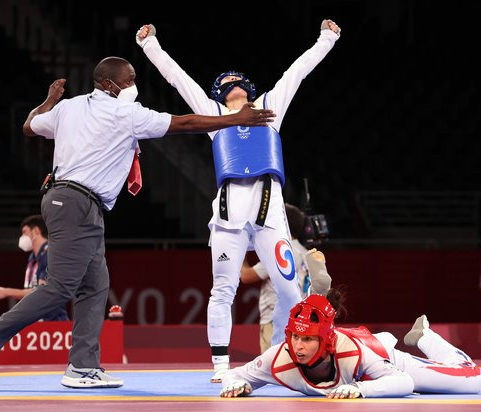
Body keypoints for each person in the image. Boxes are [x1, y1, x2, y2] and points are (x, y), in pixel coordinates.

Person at [0, 55, 276, 389]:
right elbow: (183, 124)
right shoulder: (125, 113)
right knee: (61, 286)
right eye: (129, 80)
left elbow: (29, 126)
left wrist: (50, 101)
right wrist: (233, 120)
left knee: (95, 287)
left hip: (79, 204)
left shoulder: (69, 107)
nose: (133, 85)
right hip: (74, 202)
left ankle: (82, 367)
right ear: (109, 84)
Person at [136, 18, 341, 382]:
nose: (233, 86)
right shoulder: (213, 115)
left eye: (237, 83)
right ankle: (219, 365)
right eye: (226, 85)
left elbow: (298, 71)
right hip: (230, 208)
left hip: (269, 206)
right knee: (223, 288)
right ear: (219, 92)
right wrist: (151, 46)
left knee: (289, 289)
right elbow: (178, 78)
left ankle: (281, 354)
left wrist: (326, 38)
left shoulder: (269, 107)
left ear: (247, 89)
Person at [220, 293, 481, 398]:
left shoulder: (349, 353)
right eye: (295, 337)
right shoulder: (278, 357)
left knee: (471, 381)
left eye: (308, 339)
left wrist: (360, 389)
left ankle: (424, 336)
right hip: (361, 368)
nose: (298, 346)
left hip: (382, 358)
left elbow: (404, 383)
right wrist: (237, 384)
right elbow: (233, 375)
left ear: (326, 341)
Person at [240, 203, 331, 353]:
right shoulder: (304, 251)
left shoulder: (281, 252)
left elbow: (246, 276)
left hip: (275, 320)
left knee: (273, 369)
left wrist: (240, 249)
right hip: (299, 320)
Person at [0, 215, 69, 322]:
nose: (22, 237)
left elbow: (42, 293)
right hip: (35, 320)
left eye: (24, 232)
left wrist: (7, 291)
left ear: (36, 230)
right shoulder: (33, 258)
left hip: (53, 322)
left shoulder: (50, 255)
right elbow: (31, 293)